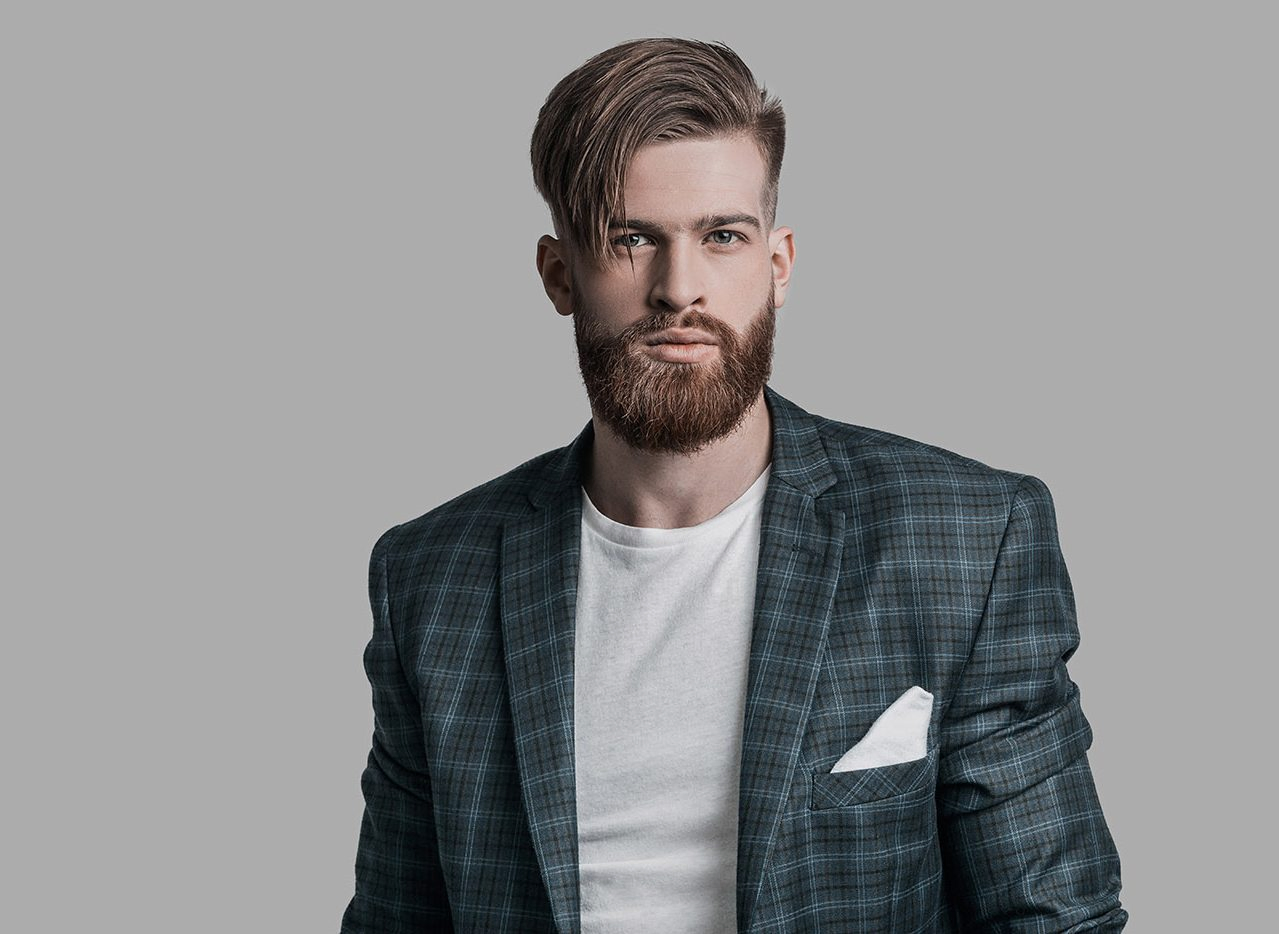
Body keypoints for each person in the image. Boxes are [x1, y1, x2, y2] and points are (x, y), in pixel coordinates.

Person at [341, 37, 1127, 934]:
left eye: (722, 236)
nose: (680, 289)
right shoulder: (430, 578)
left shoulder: (964, 542)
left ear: (777, 264)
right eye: (632, 239)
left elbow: (1056, 920)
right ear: (561, 275)